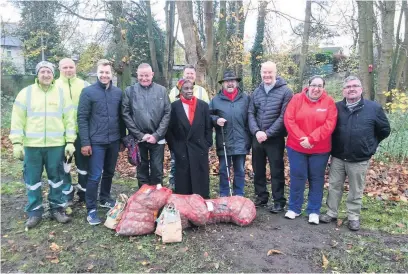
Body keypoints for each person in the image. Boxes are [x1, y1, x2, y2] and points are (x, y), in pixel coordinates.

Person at [9, 61, 76, 228]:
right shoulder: (26, 93)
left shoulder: (61, 94)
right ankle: (34, 212)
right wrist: (17, 143)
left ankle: (57, 209)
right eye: (43, 72)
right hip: (32, 146)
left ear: (53, 75)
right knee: (32, 180)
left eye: (49, 72)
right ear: (37, 74)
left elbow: (69, 120)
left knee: (57, 179)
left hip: (56, 146)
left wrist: (70, 142)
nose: (46, 75)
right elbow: (17, 119)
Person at [320, 76, 390, 231]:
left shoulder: (373, 108)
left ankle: (353, 216)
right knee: (334, 186)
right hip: (338, 156)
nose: (351, 89)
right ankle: (331, 212)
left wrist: (371, 146)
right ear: (343, 91)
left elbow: (384, 130)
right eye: (347, 87)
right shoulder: (336, 107)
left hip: (359, 158)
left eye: (354, 86)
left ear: (361, 89)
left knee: (356, 189)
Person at [77, 59, 126, 225]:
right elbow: (82, 118)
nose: (104, 75)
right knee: (95, 175)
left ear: (111, 74)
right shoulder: (88, 92)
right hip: (95, 141)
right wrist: (85, 142)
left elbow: (121, 118)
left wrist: (122, 139)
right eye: (102, 73)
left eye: (107, 73)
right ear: (97, 73)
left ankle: (105, 197)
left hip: (113, 140)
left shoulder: (118, 93)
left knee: (109, 172)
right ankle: (91, 208)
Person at [283, 76, 338, 224]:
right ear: (308, 86)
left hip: (320, 149)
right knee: (297, 177)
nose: (316, 89)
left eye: (320, 86)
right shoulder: (296, 99)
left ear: (323, 88)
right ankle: (294, 208)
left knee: (316, 178)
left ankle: (313, 210)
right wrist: (303, 139)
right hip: (296, 146)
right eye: (314, 85)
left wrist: (312, 139)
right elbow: (289, 120)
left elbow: (329, 124)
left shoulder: (329, 102)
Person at [248, 61, 293, 213]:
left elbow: (284, 116)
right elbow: (250, 113)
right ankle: (261, 197)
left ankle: (279, 200)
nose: (267, 75)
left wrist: (268, 133)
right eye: (264, 72)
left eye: (270, 72)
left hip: (275, 138)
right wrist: (256, 131)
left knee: (276, 170)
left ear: (275, 72)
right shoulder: (257, 92)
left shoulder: (286, 91)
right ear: (261, 73)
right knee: (258, 169)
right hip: (257, 138)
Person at [122, 63, 171, 187]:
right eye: (141, 75)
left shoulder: (162, 90)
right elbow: (126, 114)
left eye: (147, 75)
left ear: (152, 75)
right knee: (141, 169)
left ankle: (157, 196)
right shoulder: (130, 91)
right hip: (138, 138)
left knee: (157, 168)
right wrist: (140, 135)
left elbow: (167, 113)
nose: (144, 78)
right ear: (137, 75)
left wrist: (157, 135)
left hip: (157, 138)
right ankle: (143, 196)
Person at [166, 79, 213, 198]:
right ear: (180, 91)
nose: (189, 91)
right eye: (186, 89)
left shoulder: (203, 106)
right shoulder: (174, 107)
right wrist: (175, 147)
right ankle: (185, 204)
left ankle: (201, 202)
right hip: (182, 148)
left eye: (191, 88)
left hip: (199, 148)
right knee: (183, 178)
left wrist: (207, 144)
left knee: (200, 178)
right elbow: (169, 130)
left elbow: (208, 127)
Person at [209, 71, 251, 197]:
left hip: (241, 141)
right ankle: (224, 194)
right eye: (227, 81)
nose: (230, 83)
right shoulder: (215, 100)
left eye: (232, 81)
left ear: (237, 83)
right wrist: (216, 120)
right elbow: (208, 116)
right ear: (223, 84)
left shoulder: (246, 99)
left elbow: (251, 117)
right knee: (223, 170)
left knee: (240, 170)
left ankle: (239, 195)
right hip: (224, 140)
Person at [56, 58, 89, 205]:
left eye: (71, 67)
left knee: (84, 166)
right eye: (65, 67)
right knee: (65, 166)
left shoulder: (84, 85)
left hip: (82, 134)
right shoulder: (53, 85)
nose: (68, 70)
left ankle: (84, 192)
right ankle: (67, 194)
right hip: (62, 136)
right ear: (59, 69)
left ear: (75, 68)